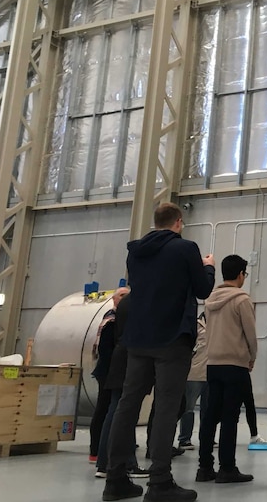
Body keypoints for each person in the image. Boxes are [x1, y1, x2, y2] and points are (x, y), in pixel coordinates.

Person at [103, 202, 215, 502]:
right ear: (179, 222)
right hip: (172, 338)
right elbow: (203, 290)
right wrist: (208, 267)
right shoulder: (185, 248)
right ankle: (160, 481)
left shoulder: (136, 251)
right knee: (166, 406)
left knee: (128, 404)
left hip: (138, 338)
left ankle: (115, 479)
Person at [195, 255, 257, 484]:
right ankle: (227, 467)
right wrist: (252, 356)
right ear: (241, 274)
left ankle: (204, 467)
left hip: (213, 364)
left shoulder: (210, 299)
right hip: (235, 363)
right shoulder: (242, 300)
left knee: (210, 416)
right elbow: (250, 333)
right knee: (230, 417)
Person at [95, 290, 149, 481]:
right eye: (122, 295)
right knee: (123, 413)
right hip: (122, 366)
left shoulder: (116, 315)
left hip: (117, 368)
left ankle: (104, 463)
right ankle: (126, 463)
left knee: (115, 412)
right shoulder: (115, 318)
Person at [90, 288, 126, 463]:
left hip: (111, 372)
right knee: (104, 409)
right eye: (122, 295)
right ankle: (96, 449)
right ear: (114, 299)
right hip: (107, 372)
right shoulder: (111, 321)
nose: (126, 298)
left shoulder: (116, 318)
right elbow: (105, 351)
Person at [177, 313, 208, 450]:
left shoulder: (218, 326)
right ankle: (184, 439)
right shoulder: (196, 326)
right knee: (188, 407)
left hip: (211, 372)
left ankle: (207, 438)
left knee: (208, 409)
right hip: (194, 373)